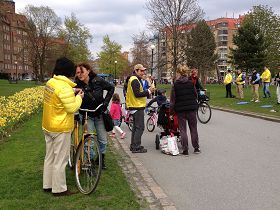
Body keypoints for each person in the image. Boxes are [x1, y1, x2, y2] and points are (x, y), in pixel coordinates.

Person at [42, 57, 84, 196]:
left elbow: (57, 99)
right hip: (61, 128)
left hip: (48, 125)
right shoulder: (64, 87)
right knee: (60, 160)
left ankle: (47, 185)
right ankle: (59, 189)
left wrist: (72, 92)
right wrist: (79, 98)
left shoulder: (50, 82)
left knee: (49, 157)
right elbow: (72, 108)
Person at [75, 62, 115, 169]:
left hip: (99, 114)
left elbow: (111, 88)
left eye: (82, 72)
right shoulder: (77, 84)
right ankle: (90, 160)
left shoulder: (98, 80)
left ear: (88, 71)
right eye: (78, 72)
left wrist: (105, 103)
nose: (80, 74)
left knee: (102, 139)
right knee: (88, 139)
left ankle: (101, 159)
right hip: (86, 114)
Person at [170, 66, 200, 156]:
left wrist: (171, 112)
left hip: (180, 110)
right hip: (191, 109)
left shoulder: (175, 84)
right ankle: (196, 148)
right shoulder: (191, 83)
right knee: (193, 128)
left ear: (178, 73)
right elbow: (195, 95)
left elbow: (172, 100)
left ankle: (185, 150)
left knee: (183, 129)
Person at [126, 64, 155, 153]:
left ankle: (133, 145)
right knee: (140, 127)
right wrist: (149, 91)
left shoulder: (135, 79)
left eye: (143, 71)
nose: (143, 72)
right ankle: (136, 146)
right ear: (136, 71)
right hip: (137, 106)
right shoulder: (134, 80)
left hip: (135, 106)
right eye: (141, 71)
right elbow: (137, 94)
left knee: (135, 127)